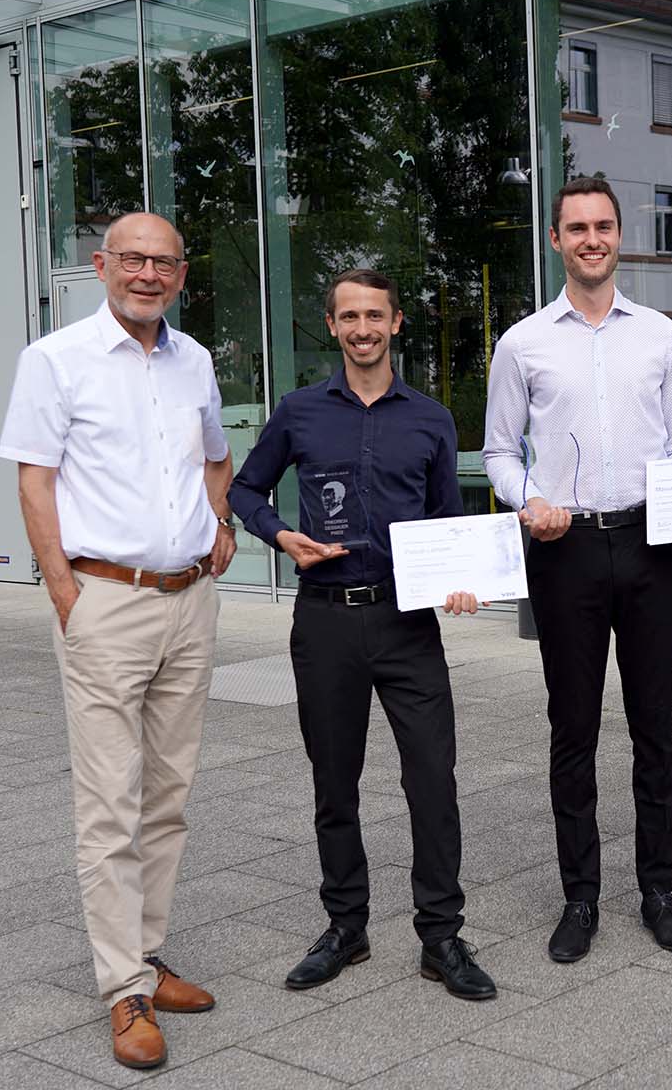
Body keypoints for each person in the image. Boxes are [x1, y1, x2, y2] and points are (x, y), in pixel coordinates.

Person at [0, 212, 236, 1070]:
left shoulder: (194, 360)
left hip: (189, 601)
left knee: (168, 794)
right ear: (102, 266)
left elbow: (215, 456)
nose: (148, 274)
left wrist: (221, 523)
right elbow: (35, 480)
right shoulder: (55, 359)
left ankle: (148, 953)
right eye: (133, 259)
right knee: (109, 802)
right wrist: (63, 590)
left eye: (164, 262)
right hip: (104, 600)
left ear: (181, 275)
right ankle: (123, 988)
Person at [227, 269, 497, 1001]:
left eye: (374, 315)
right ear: (333, 326)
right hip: (325, 621)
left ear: (396, 322)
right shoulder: (299, 412)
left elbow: (446, 519)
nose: (362, 329)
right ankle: (346, 928)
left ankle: (441, 937)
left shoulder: (431, 418)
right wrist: (280, 534)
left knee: (432, 780)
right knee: (334, 782)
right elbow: (244, 489)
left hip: (408, 623)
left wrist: (460, 577)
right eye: (349, 317)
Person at [482, 175, 672, 963]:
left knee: (656, 727)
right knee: (574, 729)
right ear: (556, 239)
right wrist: (530, 500)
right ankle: (580, 897)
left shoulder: (660, 336)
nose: (592, 239)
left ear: (620, 236)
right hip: (567, 550)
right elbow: (498, 452)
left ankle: (660, 891)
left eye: (604, 226)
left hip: (652, 544)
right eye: (577, 227)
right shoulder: (522, 343)